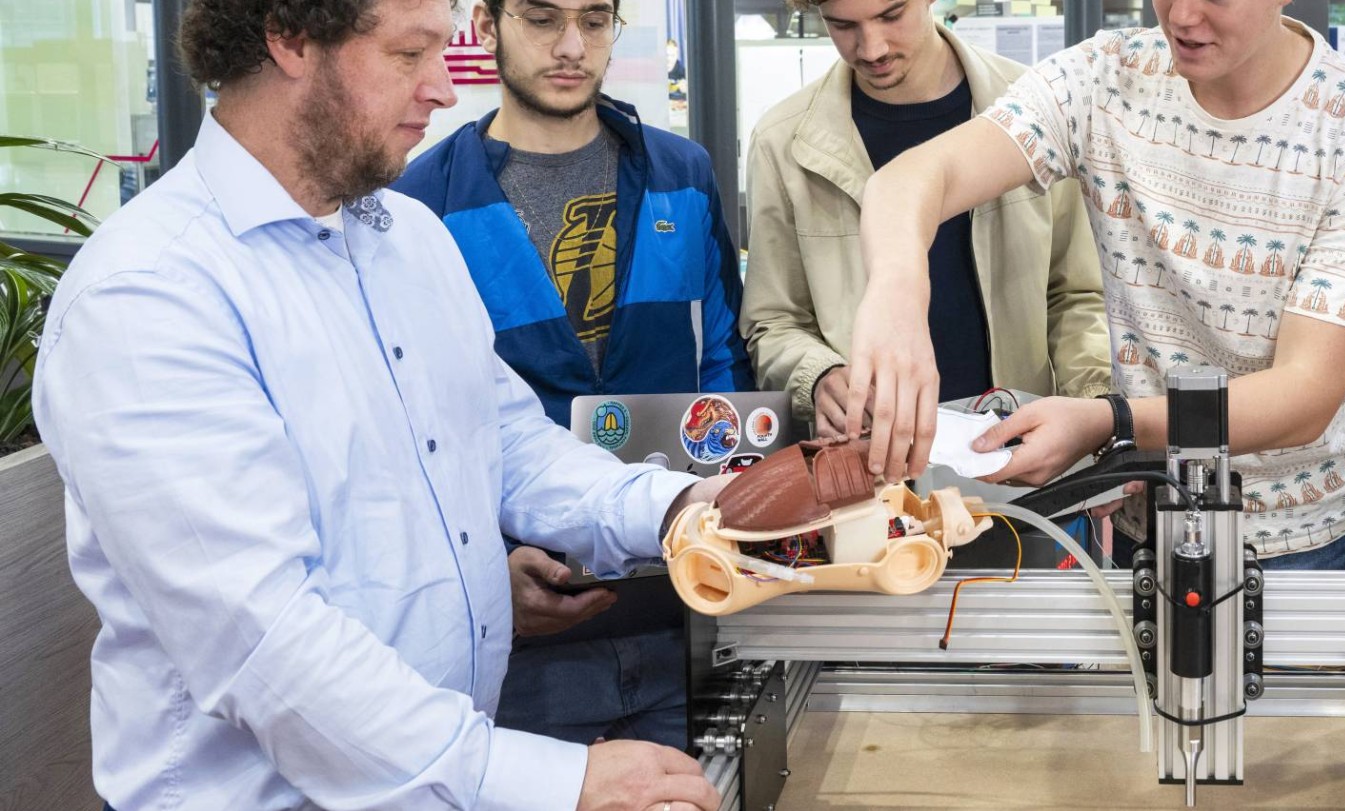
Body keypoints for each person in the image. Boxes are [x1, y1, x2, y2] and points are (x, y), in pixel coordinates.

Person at [32, 0, 722, 808]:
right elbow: (269, 647)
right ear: (289, 37)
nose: (441, 87)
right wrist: (557, 781)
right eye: (409, 54)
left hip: (436, 774)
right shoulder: (150, 292)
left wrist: (685, 506)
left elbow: (506, 442)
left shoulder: (408, 238)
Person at [833, 0, 1345, 568]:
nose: (1183, 17)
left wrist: (1110, 421)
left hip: (1302, 533)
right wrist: (896, 292)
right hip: (1150, 514)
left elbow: (1305, 396)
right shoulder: (1105, 76)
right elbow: (913, 177)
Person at [396, 0, 751, 751]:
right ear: (485, 28)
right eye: (541, 18)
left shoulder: (681, 175)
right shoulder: (420, 206)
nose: (571, 47)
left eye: (594, 21)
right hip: (526, 640)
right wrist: (488, 566)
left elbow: (722, 354)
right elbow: (412, 430)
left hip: (681, 610)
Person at [742, 0, 1111, 441]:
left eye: (891, 15)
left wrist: (1092, 415)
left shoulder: (1036, 110)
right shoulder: (783, 141)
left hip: (1023, 452)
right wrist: (819, 376)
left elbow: (1076, 296)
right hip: (872, 466)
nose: (872, 48)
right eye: (842, 26)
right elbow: (773, 322)